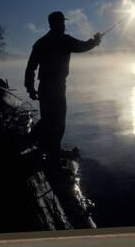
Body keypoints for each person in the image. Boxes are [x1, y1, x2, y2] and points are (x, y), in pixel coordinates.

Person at [24, 11, 102, 162]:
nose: (64, 25)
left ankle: (38, 145)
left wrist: (30, 88)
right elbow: (83, 46)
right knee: (58, 122)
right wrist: (96, 40)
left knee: (47, 119)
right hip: (57, 88)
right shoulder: (64, 40)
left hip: (44, 87)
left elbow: (30, 68)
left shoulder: (41, 42)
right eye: (62, 22)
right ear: (57, 24)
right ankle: (52, 153)